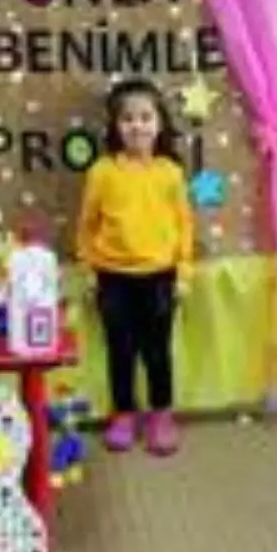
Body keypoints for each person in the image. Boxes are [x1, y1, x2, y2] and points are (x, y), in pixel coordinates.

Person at [75, 78, 195, 456]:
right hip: (113, 279)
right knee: (120, 350)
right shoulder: (101, 172)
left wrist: (183, 273)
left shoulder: (171, 172)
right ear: (115, 126)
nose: (137, 126)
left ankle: (161, 415)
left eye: (145, 117)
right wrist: (89, 271)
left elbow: (184, 226)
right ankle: (123, 414)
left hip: (161, 278)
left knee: (157, 352)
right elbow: (86, 226)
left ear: (159, 124)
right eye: (127, 119)